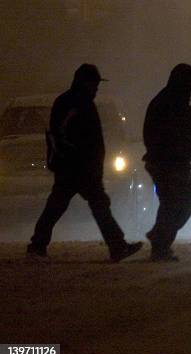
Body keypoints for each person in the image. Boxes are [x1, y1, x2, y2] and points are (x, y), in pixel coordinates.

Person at [27, 64, 143, 262]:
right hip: (78, 167)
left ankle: (38, 245)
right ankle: (117, 246)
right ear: (85, 82)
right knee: (95, 204)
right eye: (94, 83)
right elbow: (62, 134)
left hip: (76, 166)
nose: (97, 87)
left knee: (59, 205)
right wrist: (81, 160)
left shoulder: (75, 102)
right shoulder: (76, 103)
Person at [143, 64, 191, 261]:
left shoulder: (172, 102)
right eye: (190, 87)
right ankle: (160, 243)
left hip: (175, 162)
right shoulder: (168, 103)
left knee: (182, 201)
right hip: (168, 163)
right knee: (175, 202)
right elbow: (163, 132)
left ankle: (160, 237)